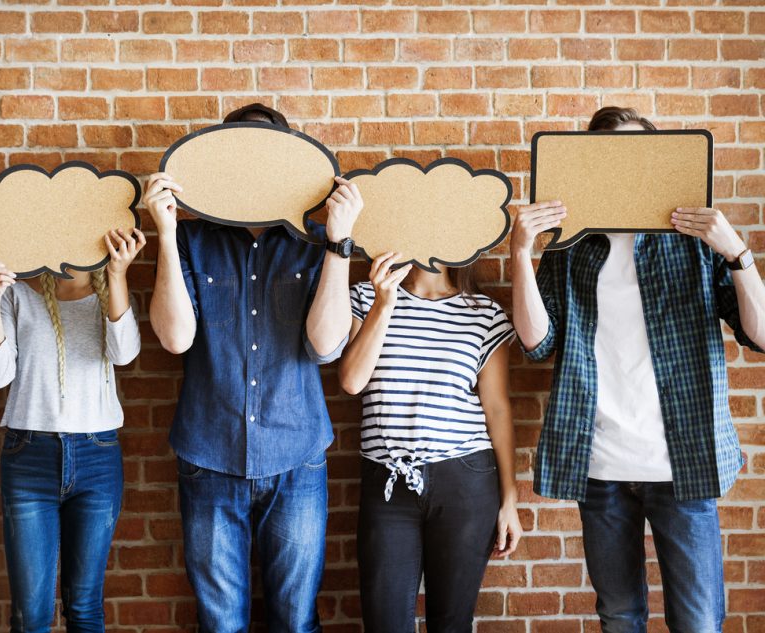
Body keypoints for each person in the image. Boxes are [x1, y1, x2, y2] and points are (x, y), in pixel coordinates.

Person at [511, 106, 765, 633]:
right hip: (600, 465)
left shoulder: (693, 240)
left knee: (698, 622)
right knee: (619, 617)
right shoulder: (573, 245)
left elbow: (761, 335)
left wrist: (738, 253)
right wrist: (520, 253)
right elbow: (537, 345)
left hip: (684, 465)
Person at [144, 102, 360, 632]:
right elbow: (174, 339)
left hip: (297, 459)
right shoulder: (192, 241)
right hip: (208, 455)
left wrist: (338, 243)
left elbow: (326, 346)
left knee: (295, 621)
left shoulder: (315, 246)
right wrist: (167, 235)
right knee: (221, 625)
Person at [339, 253, 522, 633]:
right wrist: (383, 302)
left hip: (466, 482)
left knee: (451, 624)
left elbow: (498, 411)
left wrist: (510, 501)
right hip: (387, 483)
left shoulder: (484, 313)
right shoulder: (365, 296)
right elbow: (352, 381)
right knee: (384, 623)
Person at [0, 229, 144, 633]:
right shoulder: (20, 293)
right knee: (30, 615)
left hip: (97, 457)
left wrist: (119, 275)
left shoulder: (113, 295)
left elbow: (124, 354)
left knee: (85, 607)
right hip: (29, 456)